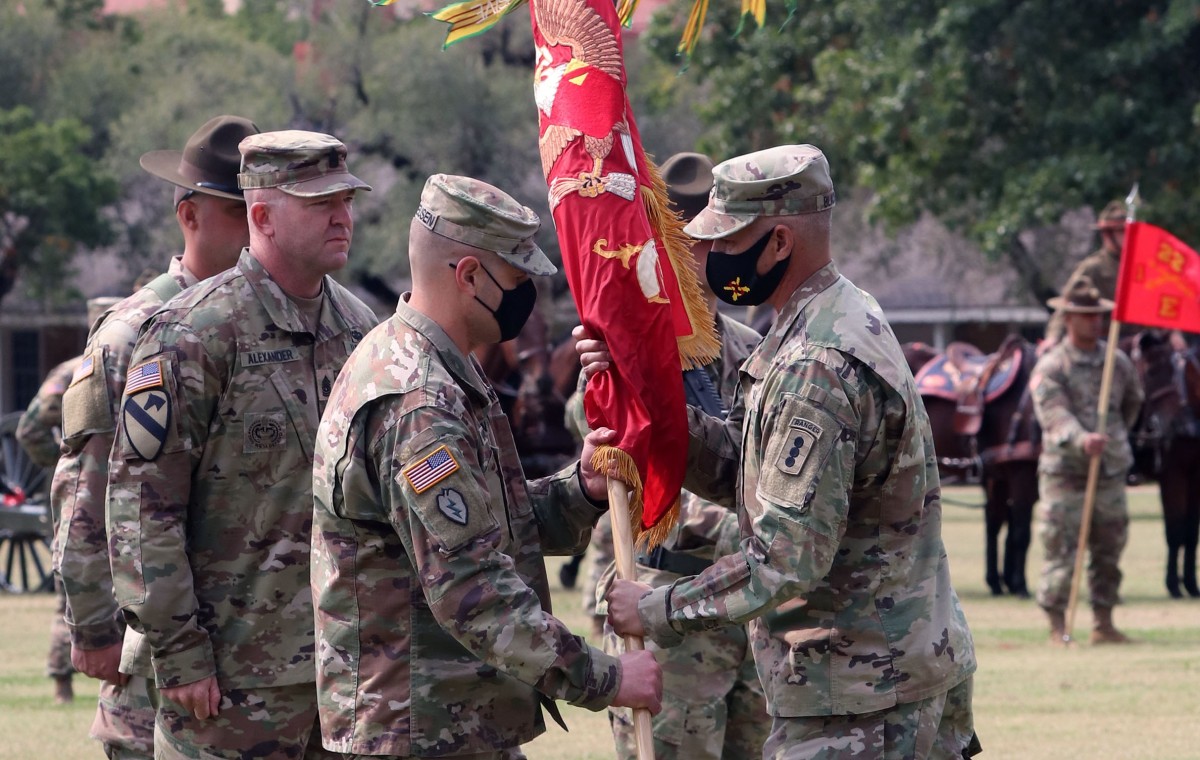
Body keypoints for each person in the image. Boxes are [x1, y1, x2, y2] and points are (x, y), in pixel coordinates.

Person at [588, 144, 980, 758]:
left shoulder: (814, 366)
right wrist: (641, 404)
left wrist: (658, 607)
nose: (711, 259)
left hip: (860, 697)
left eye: (726, 240)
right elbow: (749, 468)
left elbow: (786, 560)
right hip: (879, 678)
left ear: (778, 242)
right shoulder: (834, 316)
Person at [309, 174, 661, 759]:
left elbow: (490, 529)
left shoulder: (445, 373)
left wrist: (582, 490)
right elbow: (472, 589)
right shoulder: (417, 398)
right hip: (419, 732)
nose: (530, 297)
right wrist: (606, 677)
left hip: (455, 725)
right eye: (518, 279)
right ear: (470, 275)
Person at [104, 129, 378, 759]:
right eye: (319, 203)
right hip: (228, 684)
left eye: (347, 199)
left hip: (345, 677)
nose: (342, 216)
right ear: (262, 216)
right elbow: (143, 509)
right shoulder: (191, 334)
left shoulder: (360, 329)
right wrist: (179, 653)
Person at [52, 115, 259, 758]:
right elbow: (84, 487)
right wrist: (91, 627)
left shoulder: (276, 322)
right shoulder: (132, 332)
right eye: (237, 211)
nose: (255, 227)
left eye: (262, 210)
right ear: (189, 215)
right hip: (153, 667)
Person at [567, 151, 769, 759]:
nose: (701, 253)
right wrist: (603, 380)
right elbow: (609, 453)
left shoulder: (752, 350)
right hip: (668, 601)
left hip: (752, 603)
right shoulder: (624, 355)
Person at [1031, 276, 1143, 645]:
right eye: (1086, 315)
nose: (1095, 322)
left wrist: (1110, 439)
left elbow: (1132, 404)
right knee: (1061, 550)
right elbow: (1054, 414)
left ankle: (1104, 623)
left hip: (1108, 471)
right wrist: (1083, 439)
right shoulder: (1052, 366)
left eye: (1098, 315)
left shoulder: (1117, 363)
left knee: (1109, 548)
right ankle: (1057, 627)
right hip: (1066, 473)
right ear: (1068, 318)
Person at [17, 353, 84, 704]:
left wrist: (66, 466)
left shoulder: (72, 369)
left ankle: (63, 684)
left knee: (69, 592)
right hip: (133, 492)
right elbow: (28, 430)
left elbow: (29, 429)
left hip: (80, 498)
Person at [1045, 199, 1128, 344]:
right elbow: (1068, 303)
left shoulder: (1140, 267)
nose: (1127, 236)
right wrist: (1053, 337)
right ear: (1107, 235)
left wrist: (1172, 333)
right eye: (1121, 232)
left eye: (1129, 232)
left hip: (1142, 341)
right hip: (1106, 340)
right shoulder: (1093, 267)